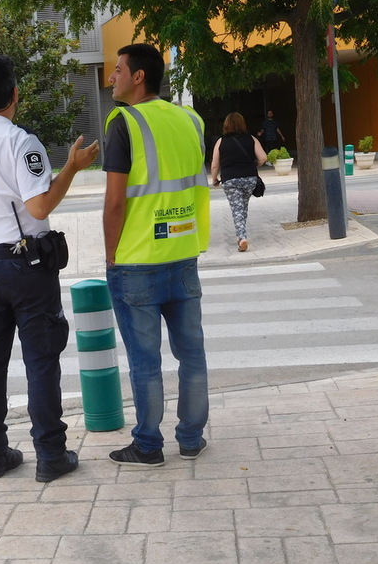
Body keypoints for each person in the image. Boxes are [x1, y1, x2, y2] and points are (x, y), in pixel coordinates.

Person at [0, 54, 100, 483]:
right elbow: (40, 205)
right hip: (26, 265)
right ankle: (50, 455)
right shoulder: (21, 142)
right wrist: (72, 168)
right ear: (15, 95)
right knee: (41, 360)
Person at [101, 43, 210, 467]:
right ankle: (191, 438)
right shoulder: (191, 119)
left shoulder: (123, 122)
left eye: (118, 70)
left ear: (138, 76)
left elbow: (114, 202)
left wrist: (111, 256)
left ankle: (148, 445)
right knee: (192, 353)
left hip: (137, 261)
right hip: (183, 252)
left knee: (145, 361)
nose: (113, 77)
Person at [211, 112, 267, 252]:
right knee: (242, 207)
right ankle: (240, 235)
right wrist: (255, 164)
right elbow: (263, 158)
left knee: (237, 209)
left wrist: (214, 179)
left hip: (230, 179)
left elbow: (215, 165)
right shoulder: (251, 139)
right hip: (249, 178)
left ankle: (242, 237)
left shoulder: (221, 141)